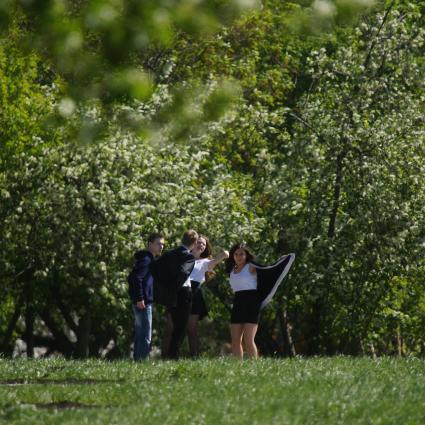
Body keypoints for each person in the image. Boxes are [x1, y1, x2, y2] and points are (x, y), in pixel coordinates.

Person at [225, 243, 295, 360]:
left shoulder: (251, 267)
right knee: (236, 340)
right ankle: (238, 366)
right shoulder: (232, 270)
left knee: (248, 340)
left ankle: (253, 366)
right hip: (237, 303)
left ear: (246, 255)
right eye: (236, 254)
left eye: (241, 254)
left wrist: (282, 261)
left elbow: (269, 270)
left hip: (252, 303)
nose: (238, 256)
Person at [151, 229, 198, 359]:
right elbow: (183, 273)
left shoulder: (169, 253)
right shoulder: (189, 257)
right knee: (181, 327)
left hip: (170, 293)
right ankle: (173, 355)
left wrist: (166, 286)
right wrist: (175, 285)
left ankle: (170, 355)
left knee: (173, 325)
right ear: (193, 243)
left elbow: (155, 268)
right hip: (183, 293)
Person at [187, 235, 229, 356]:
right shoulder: (184, 257)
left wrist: (224, 255)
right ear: (193, 243)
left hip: (194, 294)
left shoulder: (205, 262)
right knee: (172, 328)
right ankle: (168, 356)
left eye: (204, 244)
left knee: (192, 329)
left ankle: (194, 357)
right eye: (199, 242)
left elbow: (215, 261)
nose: (201, 245)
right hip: (179, 292)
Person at [128, 232, 165, 361]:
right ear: (150, 244)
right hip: (143, 302)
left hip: (141, 301)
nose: (161, 247)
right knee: (145, 335)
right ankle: (142, 361)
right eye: (158, 244)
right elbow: (136, 278)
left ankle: (138, 360)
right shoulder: (146, 259)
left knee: (140, 333)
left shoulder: (147, 258)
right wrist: (140, 298)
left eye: (162, 244)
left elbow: (133, 277)